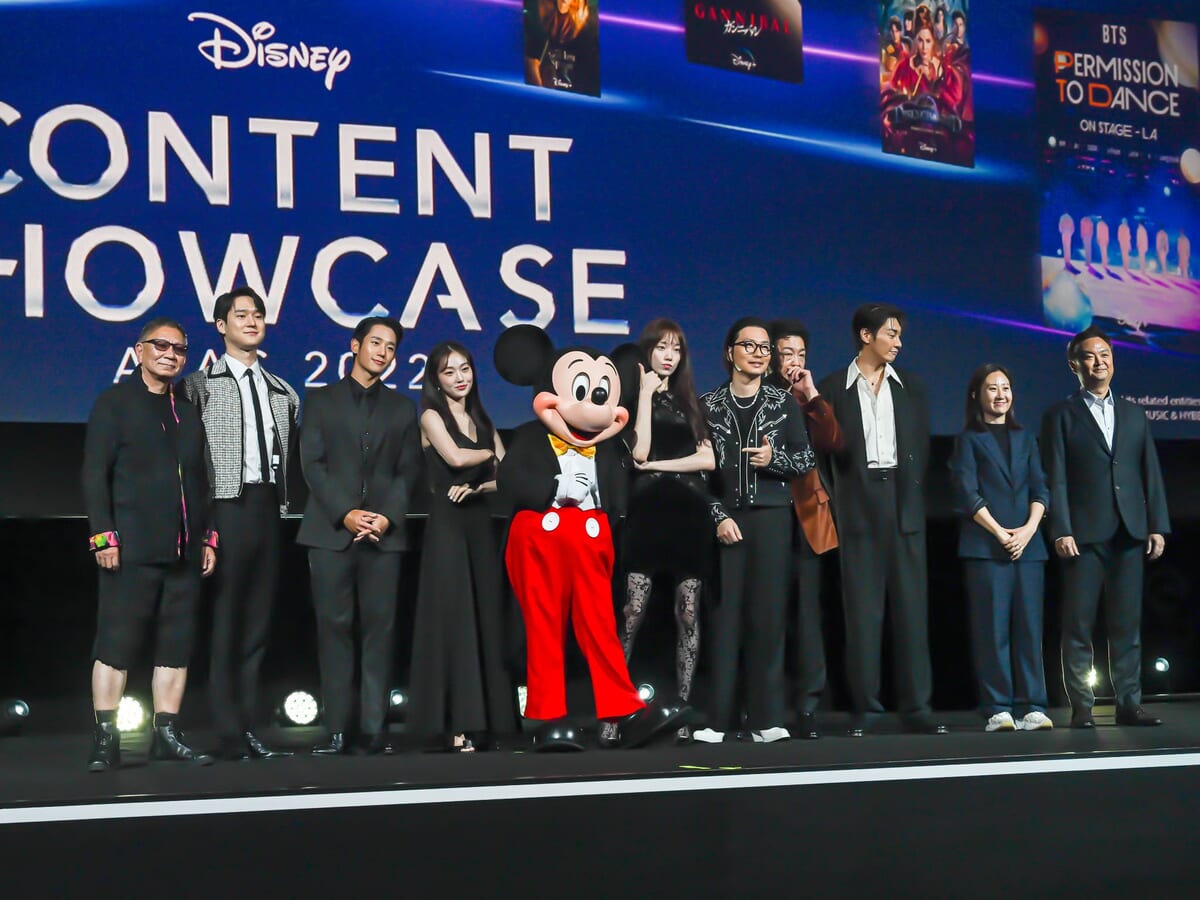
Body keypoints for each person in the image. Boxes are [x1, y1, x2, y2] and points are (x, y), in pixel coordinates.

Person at [83, 318, 218, 771]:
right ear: (139, 351)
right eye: (160, 345)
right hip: (131, 548)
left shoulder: (188, 411)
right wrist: (103, 535)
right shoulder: (115, 403)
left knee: (175, 645)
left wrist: (208, 537)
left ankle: (167, 735)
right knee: (116, 643)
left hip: (184, 552)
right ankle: (106, 740)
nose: (170, 354)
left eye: (178, 349)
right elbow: (94, 475)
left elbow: (201, 481)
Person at [818, 303, 946, 736]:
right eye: (891, 334)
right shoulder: (833, 387)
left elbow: (921, 449)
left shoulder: (912, 386)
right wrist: (841, 501)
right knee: (862, 612)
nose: (898, 342)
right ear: (866, 335)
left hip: (902, 500)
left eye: (899, 335)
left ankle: (917, 707)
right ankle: (866, 709)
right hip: (856, 501)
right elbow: (823, 453)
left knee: (911, 610)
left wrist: (908, 495)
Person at [182, 287, 299, 761]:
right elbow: (189, 464)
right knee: (226, 619)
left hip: (268, 508)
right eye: (241, 315)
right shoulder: (198, 386)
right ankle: (225, 728)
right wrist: (204, 527)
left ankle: (247, 725)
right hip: (224, 508)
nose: (252, 322)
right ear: (221, 326)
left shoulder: (283, 391)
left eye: (258, 315)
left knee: (257, 621)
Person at [298, 316, 421, 755]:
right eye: (375, 343)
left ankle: (374, 728)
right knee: (333, 630)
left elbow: (408, 470)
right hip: (330, 533)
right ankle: (337, 728)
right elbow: (312, 465)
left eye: (390, 347)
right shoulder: (320, 400)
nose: (383, 352)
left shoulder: (402, 408)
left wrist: (386, 517)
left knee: (380, 633)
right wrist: (346, 513)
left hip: (384, 537)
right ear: (355, 345)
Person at [694, 317, 815, 744]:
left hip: (771, 519)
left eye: (765, 348)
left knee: (768, 618)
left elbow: (805, 461)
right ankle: (717, 720)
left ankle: (766, 718)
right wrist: (717, 516)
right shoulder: (706, 405)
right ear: (730, 353)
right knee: (724, 619)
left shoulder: (784, 403)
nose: (760, 354)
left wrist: (773, 459)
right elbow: (696, 475)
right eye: (750, 346)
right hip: (726, 520)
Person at [1041, 325, 1170, 728]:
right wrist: (1061, 528)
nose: (1099, 363)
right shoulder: (1060, 415)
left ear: (1113, 361)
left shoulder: (1134, 413)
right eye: (1090, 356)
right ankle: (1082, 706)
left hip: (1130, 531)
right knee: (1078, 625)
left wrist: (1157, 525)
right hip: (1082, 535)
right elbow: (1055, 477)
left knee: (1126, 625)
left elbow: (1150, 472)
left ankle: (1129, 703)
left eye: (1105, 356)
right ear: (1074, 365)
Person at [407, 342, 516, 752]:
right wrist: (488, 455)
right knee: (454, 620)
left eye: (465, 368)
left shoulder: (482, 418)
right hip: (447, 525)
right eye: (449, 371)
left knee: (485, 616)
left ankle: (491, 724)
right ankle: (455, 723)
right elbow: (455, 458)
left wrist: (480, 487)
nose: (459, 377)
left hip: (478, 522)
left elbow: (508, 476)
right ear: (436, 380)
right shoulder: (431, 416)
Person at [610, 319, 714, 744]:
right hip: (648, 513)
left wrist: (658, 466)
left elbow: (707, 460)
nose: (669, 356)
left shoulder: (692, 403)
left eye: (676, 349)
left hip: (688, 514)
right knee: (632, 612)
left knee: (688, 613)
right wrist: (646, 395)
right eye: (661, 348)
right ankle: (613, 712)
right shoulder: (633, 399)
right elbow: (638, 451)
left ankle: (684, 713)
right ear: (647, 352)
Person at [949, 364, 1052, 732]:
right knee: (992, 631)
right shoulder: (968, 439)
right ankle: (998, 707)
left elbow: (1041, 489)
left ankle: (1033, 706)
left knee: (1029, 629)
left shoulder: (1026, 438)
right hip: (986, 547)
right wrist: (1000, 533)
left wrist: (1027, 531)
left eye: (1005, 387)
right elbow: (967, 493)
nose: (1000, 394)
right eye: (992, 388)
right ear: (977, 395)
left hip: (1029, 548)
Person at [769, 319, 844, 740]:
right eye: (787, 354)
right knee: (770, 613)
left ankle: (808, 706)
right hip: (767, 515)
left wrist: (810, 395)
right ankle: (768, 705)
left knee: (808, 616)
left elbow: (833, 441)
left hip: (808, 518)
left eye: (800, 354)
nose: (794, 362)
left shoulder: (809, 400)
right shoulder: (758, 395)